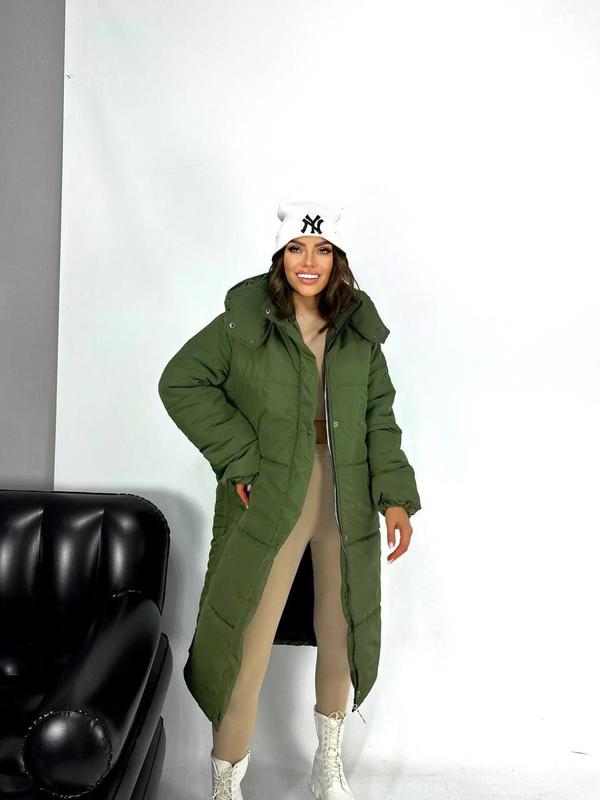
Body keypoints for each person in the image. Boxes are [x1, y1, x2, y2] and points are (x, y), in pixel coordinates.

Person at [158, 199, 422, 800]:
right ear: (280, 255)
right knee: (246, 639)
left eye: (323, 249)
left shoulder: (358, 332)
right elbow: (181, 381)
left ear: (338, 258)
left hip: (345, 495)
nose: (309, 261)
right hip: (273, 491)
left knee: (342, 628)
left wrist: (396, 498)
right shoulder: (245, 323)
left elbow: (380, 419)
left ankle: (327, 766)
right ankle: (226, 781)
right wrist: (241, 457)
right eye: (297, 248)